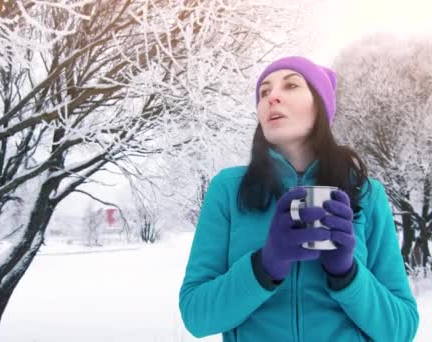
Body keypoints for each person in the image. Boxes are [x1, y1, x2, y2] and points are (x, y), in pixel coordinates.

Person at [179, 56, 419, 341]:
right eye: (264, 92)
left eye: (291, 85)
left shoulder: (366, 193)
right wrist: (265, 266)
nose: (273, 97)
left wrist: (347, 274)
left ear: (320, 104)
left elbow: (401, 329)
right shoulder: (228, 190)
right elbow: (196, 315)